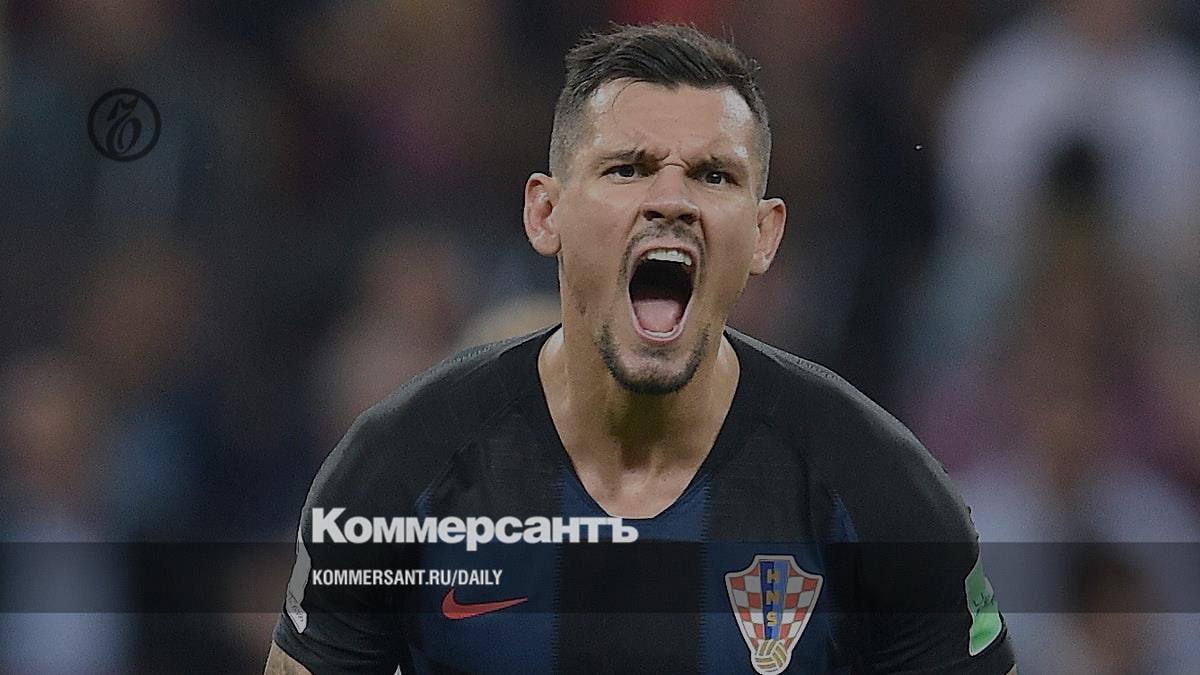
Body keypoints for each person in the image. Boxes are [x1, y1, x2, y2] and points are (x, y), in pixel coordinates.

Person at [266, 24, 1016, 674]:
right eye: (627, 168)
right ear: (545, 212)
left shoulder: (877, 488)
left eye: (714, 175)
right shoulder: (400, 469)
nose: (671, 201)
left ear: (764, 234)